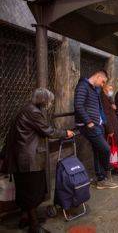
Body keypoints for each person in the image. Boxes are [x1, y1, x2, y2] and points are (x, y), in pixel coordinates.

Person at [0, 88, 74, 233]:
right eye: (50, 101)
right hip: (29, 159)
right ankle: (34, 226)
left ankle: (25, 218)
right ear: (43, 100)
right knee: (32, 192)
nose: (50, 104)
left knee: (25, 191)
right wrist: (66, 133)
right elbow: (48, 131)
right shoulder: (33, 112)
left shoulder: (27, 109)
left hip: (23, 157)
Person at [74, 70, 118, 190]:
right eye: (103, 81)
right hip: (90, 126)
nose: (103, 84)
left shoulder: (95, 89)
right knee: (105, 149)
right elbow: (78, 105)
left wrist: (103, 122)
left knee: (98, 151)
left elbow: (99, 107)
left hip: (98, 125)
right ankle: (104, 175)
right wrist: (88, 122)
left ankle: (100, 179)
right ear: (98, 76)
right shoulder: (83, 86)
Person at [100, 84, 118, 176]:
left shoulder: (108, 98)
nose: (111, 90)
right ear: (104, 89)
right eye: (109, 89)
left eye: (112, 89)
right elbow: (105, 115)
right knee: (112, 148)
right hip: (110, 128)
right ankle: (112, 167)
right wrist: (110, 129)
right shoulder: (103, 98)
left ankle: (115, 165)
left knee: (114, 148)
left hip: (114, 125)